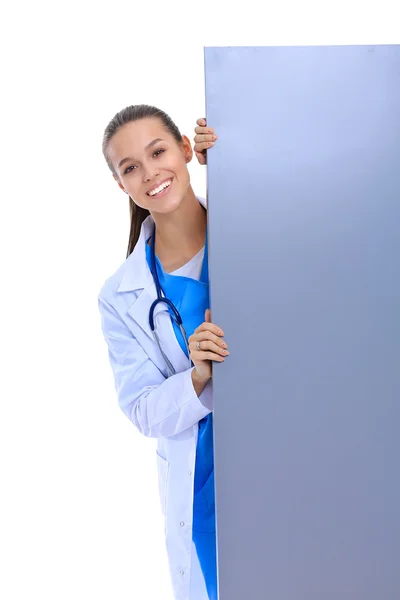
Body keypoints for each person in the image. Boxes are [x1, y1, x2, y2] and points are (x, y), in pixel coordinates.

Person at [98, 104, 226, 600]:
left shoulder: (255, 232)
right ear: (121, 184)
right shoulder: (121, 294)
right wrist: (197, 375)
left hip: (289, 452)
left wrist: (237, 160)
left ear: (187, 150)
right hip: (206, 490)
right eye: (130, 167)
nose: (150, 172)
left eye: (159, 151)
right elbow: (142, 409)